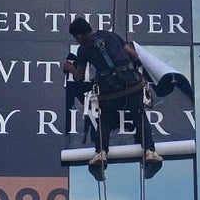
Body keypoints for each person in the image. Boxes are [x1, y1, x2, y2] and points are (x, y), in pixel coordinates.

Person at [61, 17, 161, 180]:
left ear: (78, 36)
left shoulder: (83, 48)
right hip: (131, 83)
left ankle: (101, 154)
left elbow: (79, 75)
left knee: (105, 121)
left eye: (75, 37)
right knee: (139, 117)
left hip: (109, 90)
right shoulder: (111, 35)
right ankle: (150, 152)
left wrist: (69, 67)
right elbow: (134, 55)